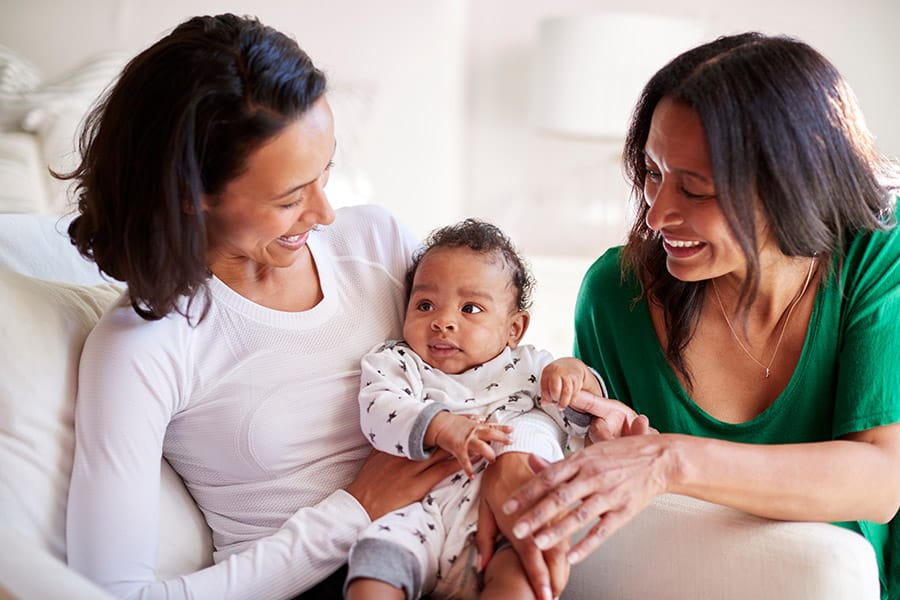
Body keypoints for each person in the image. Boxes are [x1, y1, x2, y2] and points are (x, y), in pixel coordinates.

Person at [61, 13, 468, 599]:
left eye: (327, 172)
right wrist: (354, 509)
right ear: (187, 195)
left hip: (464, 548)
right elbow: (114, 594)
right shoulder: (143, 344)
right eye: (289, 198)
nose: (325, 214)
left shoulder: (377, 242)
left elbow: (490, 365)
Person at [500, 32, 900, 599]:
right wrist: (601, 445)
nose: (658, 213)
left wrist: (669, 459)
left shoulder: (880, 253)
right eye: (653, 172)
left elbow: (881, 480)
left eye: (695, 189)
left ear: (791, 184)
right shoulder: (616, 293)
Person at [344, 219, 603, 600]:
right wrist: (439, 426)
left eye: (470, 308)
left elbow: (581, 418)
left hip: (502, 517)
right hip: (418, 515)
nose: (443, 322)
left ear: (515, 328)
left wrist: (576, 374)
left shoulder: (530, 368)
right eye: (425, 304)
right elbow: (379, 412)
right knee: (372, 568)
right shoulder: (398, 361)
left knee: (524, 574)